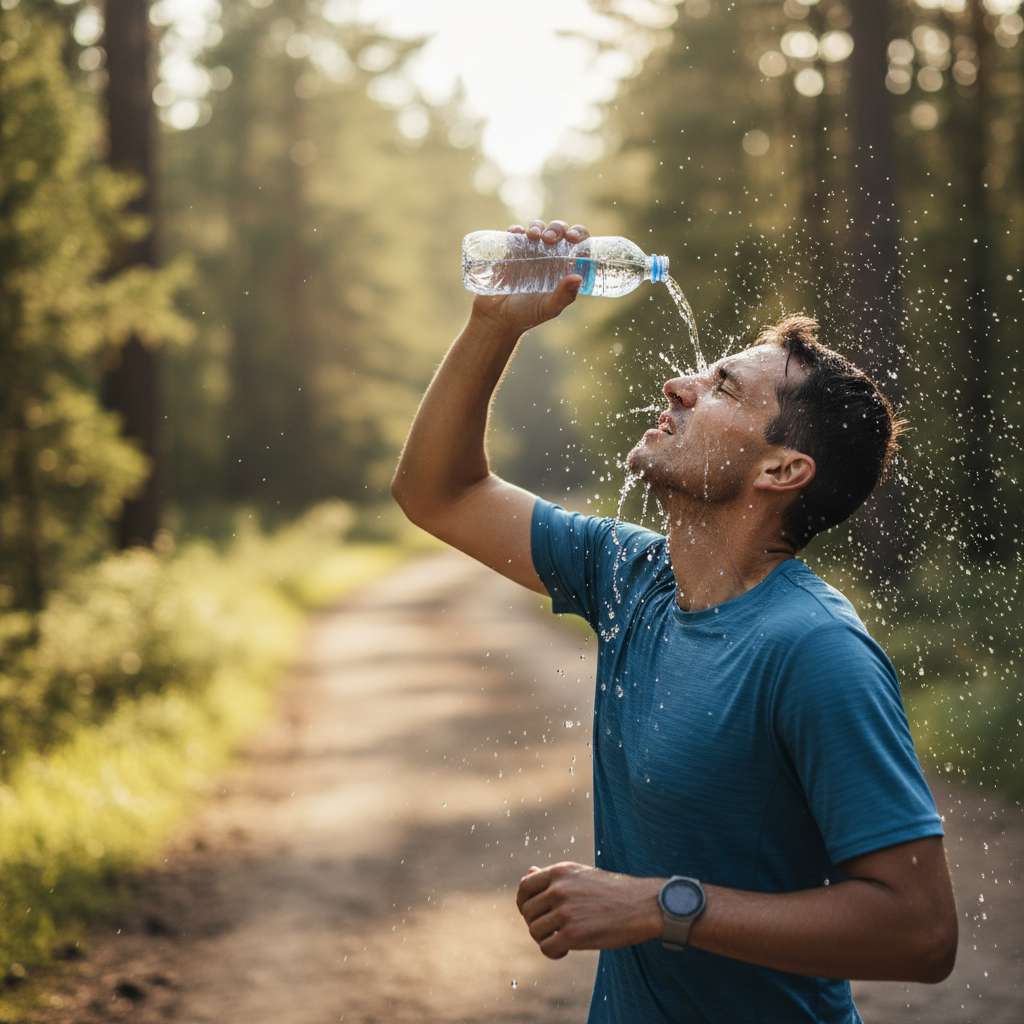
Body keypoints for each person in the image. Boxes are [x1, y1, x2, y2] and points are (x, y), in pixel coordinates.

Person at [391, 218, 957, 1023]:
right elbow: (436, 493)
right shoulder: (630, 577)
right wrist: (493, 325)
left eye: (723, 388)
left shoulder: (815, 651)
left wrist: (663, 907)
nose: (679, 386)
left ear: (782, 469)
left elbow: (922, 932)